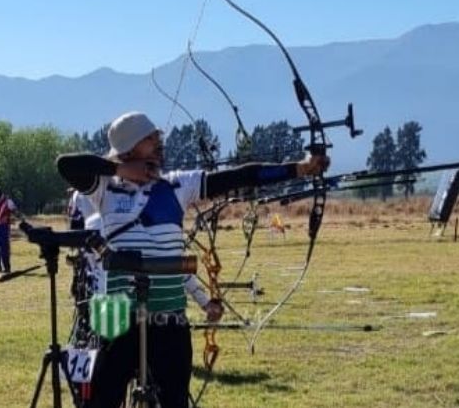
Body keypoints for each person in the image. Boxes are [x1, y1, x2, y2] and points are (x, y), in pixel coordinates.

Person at [56, 112, 328, 408]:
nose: (160, 144)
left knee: (174, 401)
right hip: (115, 313)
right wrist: (120, 169)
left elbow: (242, 176)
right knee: (101, 401)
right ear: (131, 146)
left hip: (169, 315)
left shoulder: (177, 184)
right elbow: (66, 164)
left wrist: (300, 169)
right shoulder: (105, 187)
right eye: (151, 139)